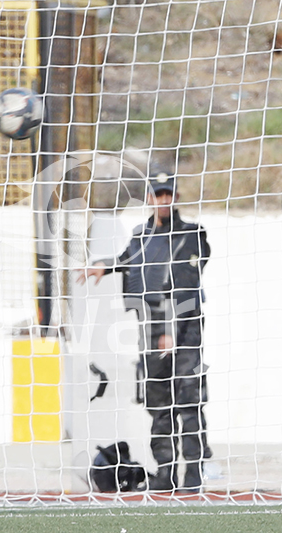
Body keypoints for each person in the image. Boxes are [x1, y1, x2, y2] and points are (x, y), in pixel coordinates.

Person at [77, 172, 211, 492]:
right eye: (157, 194)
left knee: (188, 401)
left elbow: (184, 287)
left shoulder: (192, 235)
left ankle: (193, 474)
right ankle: (164, 473)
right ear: (150, 198)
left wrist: (170, 330)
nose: (163, 200)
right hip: (150, 327)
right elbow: (130, 259)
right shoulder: (141, 234)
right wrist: (103, 265)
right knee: (158, 402)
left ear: (176, 196)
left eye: (168, 194)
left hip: (185, 328)